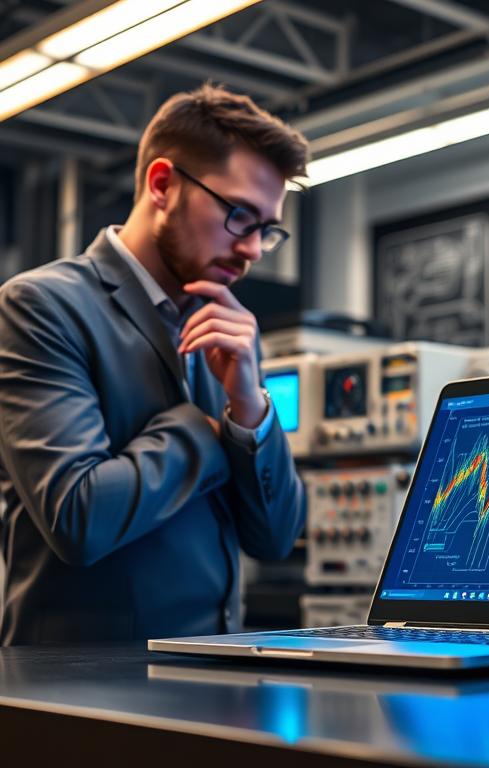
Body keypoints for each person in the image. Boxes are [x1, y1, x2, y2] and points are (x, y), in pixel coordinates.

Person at [0, 84, 308, 644]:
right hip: (82, 700)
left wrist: (249, 408)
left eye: (268, 229)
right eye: (239, 215)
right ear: (162, 184)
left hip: (213, 680)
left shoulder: (230, 331)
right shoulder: (40, 307)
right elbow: (79, 516)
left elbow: (275, 538)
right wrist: (206, 431)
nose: (254, 250)